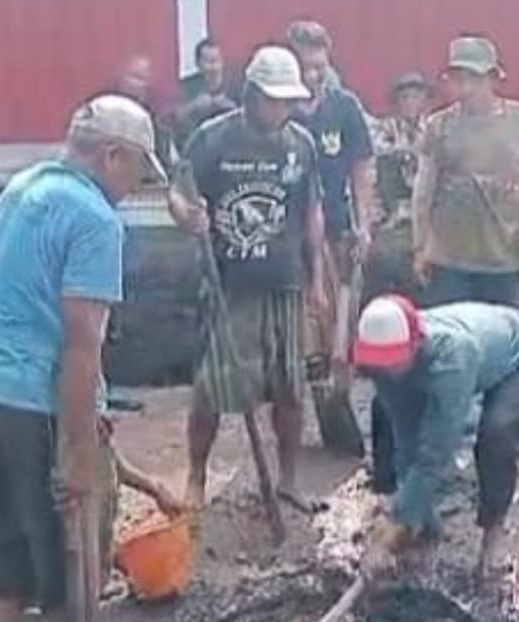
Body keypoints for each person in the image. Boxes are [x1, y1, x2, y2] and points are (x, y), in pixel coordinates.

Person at [0, 96, 178, 622]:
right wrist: (77, 450)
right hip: (35, 399)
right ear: (112, 155)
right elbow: (80, 345)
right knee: (81, 519)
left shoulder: (22, 187)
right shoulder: (94, 218)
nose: (135, 187)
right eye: (136, 171)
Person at [169, 45, 328, 514]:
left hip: (284, 282)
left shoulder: (300, 143)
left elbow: (312, 211)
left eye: (288, 101)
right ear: (252, 94)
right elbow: (179, 192)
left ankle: (290, 480)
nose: (281, 109)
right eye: (273, 100)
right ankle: (196, 476)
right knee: (212, 390)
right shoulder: (212, 139)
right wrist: (188, 216)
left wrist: (316, 276)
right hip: (228, 285)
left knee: (290, 390)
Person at [353, 296, 519, 579]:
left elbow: (437, 451)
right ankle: (424, 530)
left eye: (392, 361)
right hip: (484, 350)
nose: (387, 370)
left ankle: (494, 530)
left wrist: (391, 529)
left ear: (415, 345)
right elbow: (407, 436)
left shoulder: (453, 358)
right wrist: (414, 520)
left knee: (496, 432)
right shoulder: (384, 368)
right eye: (381, 363)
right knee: (402, 438)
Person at [412, 36, 519, 308]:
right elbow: (424, 190)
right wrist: (420, 246)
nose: (465, 88)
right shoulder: (439, 126)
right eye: (458, 79)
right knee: (454, 339)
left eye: (474, 79)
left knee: (505, 337)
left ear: (493, 79)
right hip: (450, 260)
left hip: (506, 256)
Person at [288, 22, 377, 427]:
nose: (313, 75)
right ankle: (304, 409)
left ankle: (337, 410)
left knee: (343, 324)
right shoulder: (281, 111)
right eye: (305, 67)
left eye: (319, 66)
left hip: (339, 229)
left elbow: (361, 168)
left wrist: (364, 223)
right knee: (307, 326)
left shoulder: (344, 107)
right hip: (289, 238)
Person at [374, 72, 435, 226]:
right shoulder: (389, 126)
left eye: (415, 97)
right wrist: (402, 150)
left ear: (424, 101)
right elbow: (377, 147)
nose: (409, 103)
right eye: (404, 98)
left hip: (424, 181)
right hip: (399, 182)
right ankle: (395, 211)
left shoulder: (433, 126)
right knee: (386, 162)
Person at [103, 55, 175, 168]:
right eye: (135, 77)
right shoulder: (104, 110)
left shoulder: (153, 116)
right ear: (121, 76)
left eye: (144, 79)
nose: (141, 84)